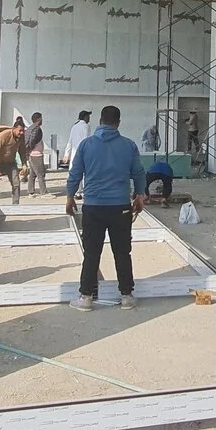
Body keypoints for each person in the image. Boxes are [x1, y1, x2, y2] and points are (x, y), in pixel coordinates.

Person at [64, 104, 146, 310]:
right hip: (121, 207)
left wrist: (69, 196)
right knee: (122, 252)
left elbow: (75, 173)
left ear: (100, 121)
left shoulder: (86, 145)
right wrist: (140, 197)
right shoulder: (129, 146)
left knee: (92, 253)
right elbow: (138, 173)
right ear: (118, 123)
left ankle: (86, 298)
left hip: (93, 207)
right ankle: (127, 296)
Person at [0, 117, 27, 202]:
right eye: (20, 130)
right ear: (14, 129)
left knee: (16, 184)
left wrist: (24, 164)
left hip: (11, 163)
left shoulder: (21, 137)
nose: (21, 133)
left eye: (23, 131)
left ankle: (15, 206)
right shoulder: (4, 135)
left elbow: (22, 152)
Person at [24, 112, 48, 189]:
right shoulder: (36, 129)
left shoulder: (30, 128)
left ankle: (31, 191)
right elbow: (32, 141)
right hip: (36, 155)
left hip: (31, 154)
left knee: (32, 174)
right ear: (39, 119)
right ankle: (43, 192)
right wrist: (32, 148)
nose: (42, 120)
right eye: (41, 119)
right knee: (41, 174)